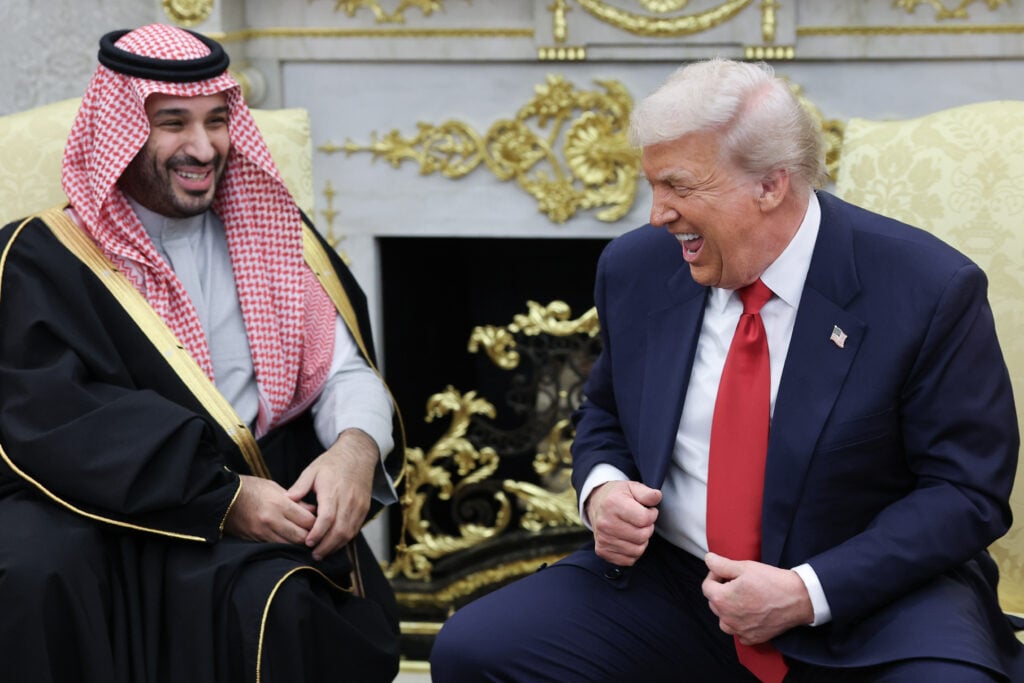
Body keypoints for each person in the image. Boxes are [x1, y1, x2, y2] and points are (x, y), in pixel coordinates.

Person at [430, 58, 1024, 682]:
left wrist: (805, 590)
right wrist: (602, 486)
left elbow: (965, 491)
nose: (658, 213)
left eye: (680, 187)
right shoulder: (636, 269)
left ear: (770, 185)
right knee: (476, 651)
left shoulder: (926, 287)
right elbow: (605, 409)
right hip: (680, 583)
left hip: (869, 597)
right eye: (652, 185)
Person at [0, 24, 404, 683]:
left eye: (218, 120)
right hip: (105, 504)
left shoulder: (275, 230)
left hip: (255, 515)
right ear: (121, 131)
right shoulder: (42, 256)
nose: (203, 147)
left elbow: (341, 372)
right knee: (33, 569)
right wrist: (218, 495)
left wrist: (357, 449)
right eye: (173, 123)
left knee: (280, 602)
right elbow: (49, 413)